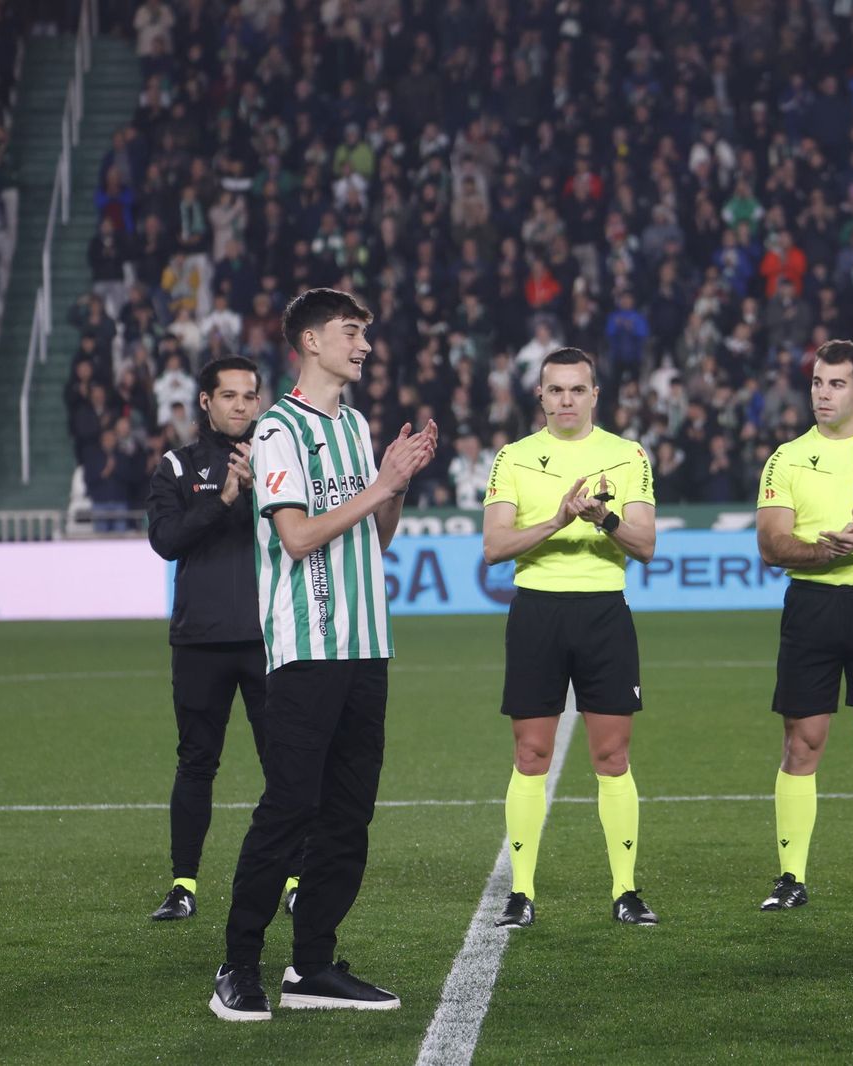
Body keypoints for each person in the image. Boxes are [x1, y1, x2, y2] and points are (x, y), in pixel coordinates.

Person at [210, 288, 438, 1020]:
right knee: (288, 810)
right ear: (310, 342)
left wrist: (395, 486)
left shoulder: (358, 424)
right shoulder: (279, 430)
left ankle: (311, 967)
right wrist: (382, 483)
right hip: (307, 649)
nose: (364, 345)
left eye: (365, 334)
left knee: (347, 814)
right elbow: (298, 537)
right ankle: (237, 967)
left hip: (368, 646)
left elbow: (376, 539)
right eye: (351, 333)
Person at [482, 347, 658, 929]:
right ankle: (521, 892)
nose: (565, 400)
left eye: (576, 390)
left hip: (604, 612)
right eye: (554, 390)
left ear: (594, 395)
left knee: (612, 755)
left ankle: (626, 891)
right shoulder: (514, 457)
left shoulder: (627, 455)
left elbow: (645, 544)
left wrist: (601, 519)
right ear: (540, 395)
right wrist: (558, 519)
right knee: (530, 754)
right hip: (537, 612)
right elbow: (494, 548)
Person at [754, 339, 853, 912]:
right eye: (818, 383)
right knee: (803, 741)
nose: (823, 393)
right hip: (812, 607)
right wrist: (830, 552)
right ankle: (790, 878)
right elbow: (772, 543)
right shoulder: (787, 457)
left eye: (836, 384)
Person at [145, 356, 299, 921]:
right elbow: (165, 541)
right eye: (229, 396)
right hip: (200, 642)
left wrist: (262, 491)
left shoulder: (282, 463)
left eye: (250, 395)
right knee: (196, 763)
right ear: (205, 402)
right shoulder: (177, 467)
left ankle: (296, 878)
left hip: (269, 639)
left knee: (285, 763)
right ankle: (184, 884)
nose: (241, 405)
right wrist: (226, 498)